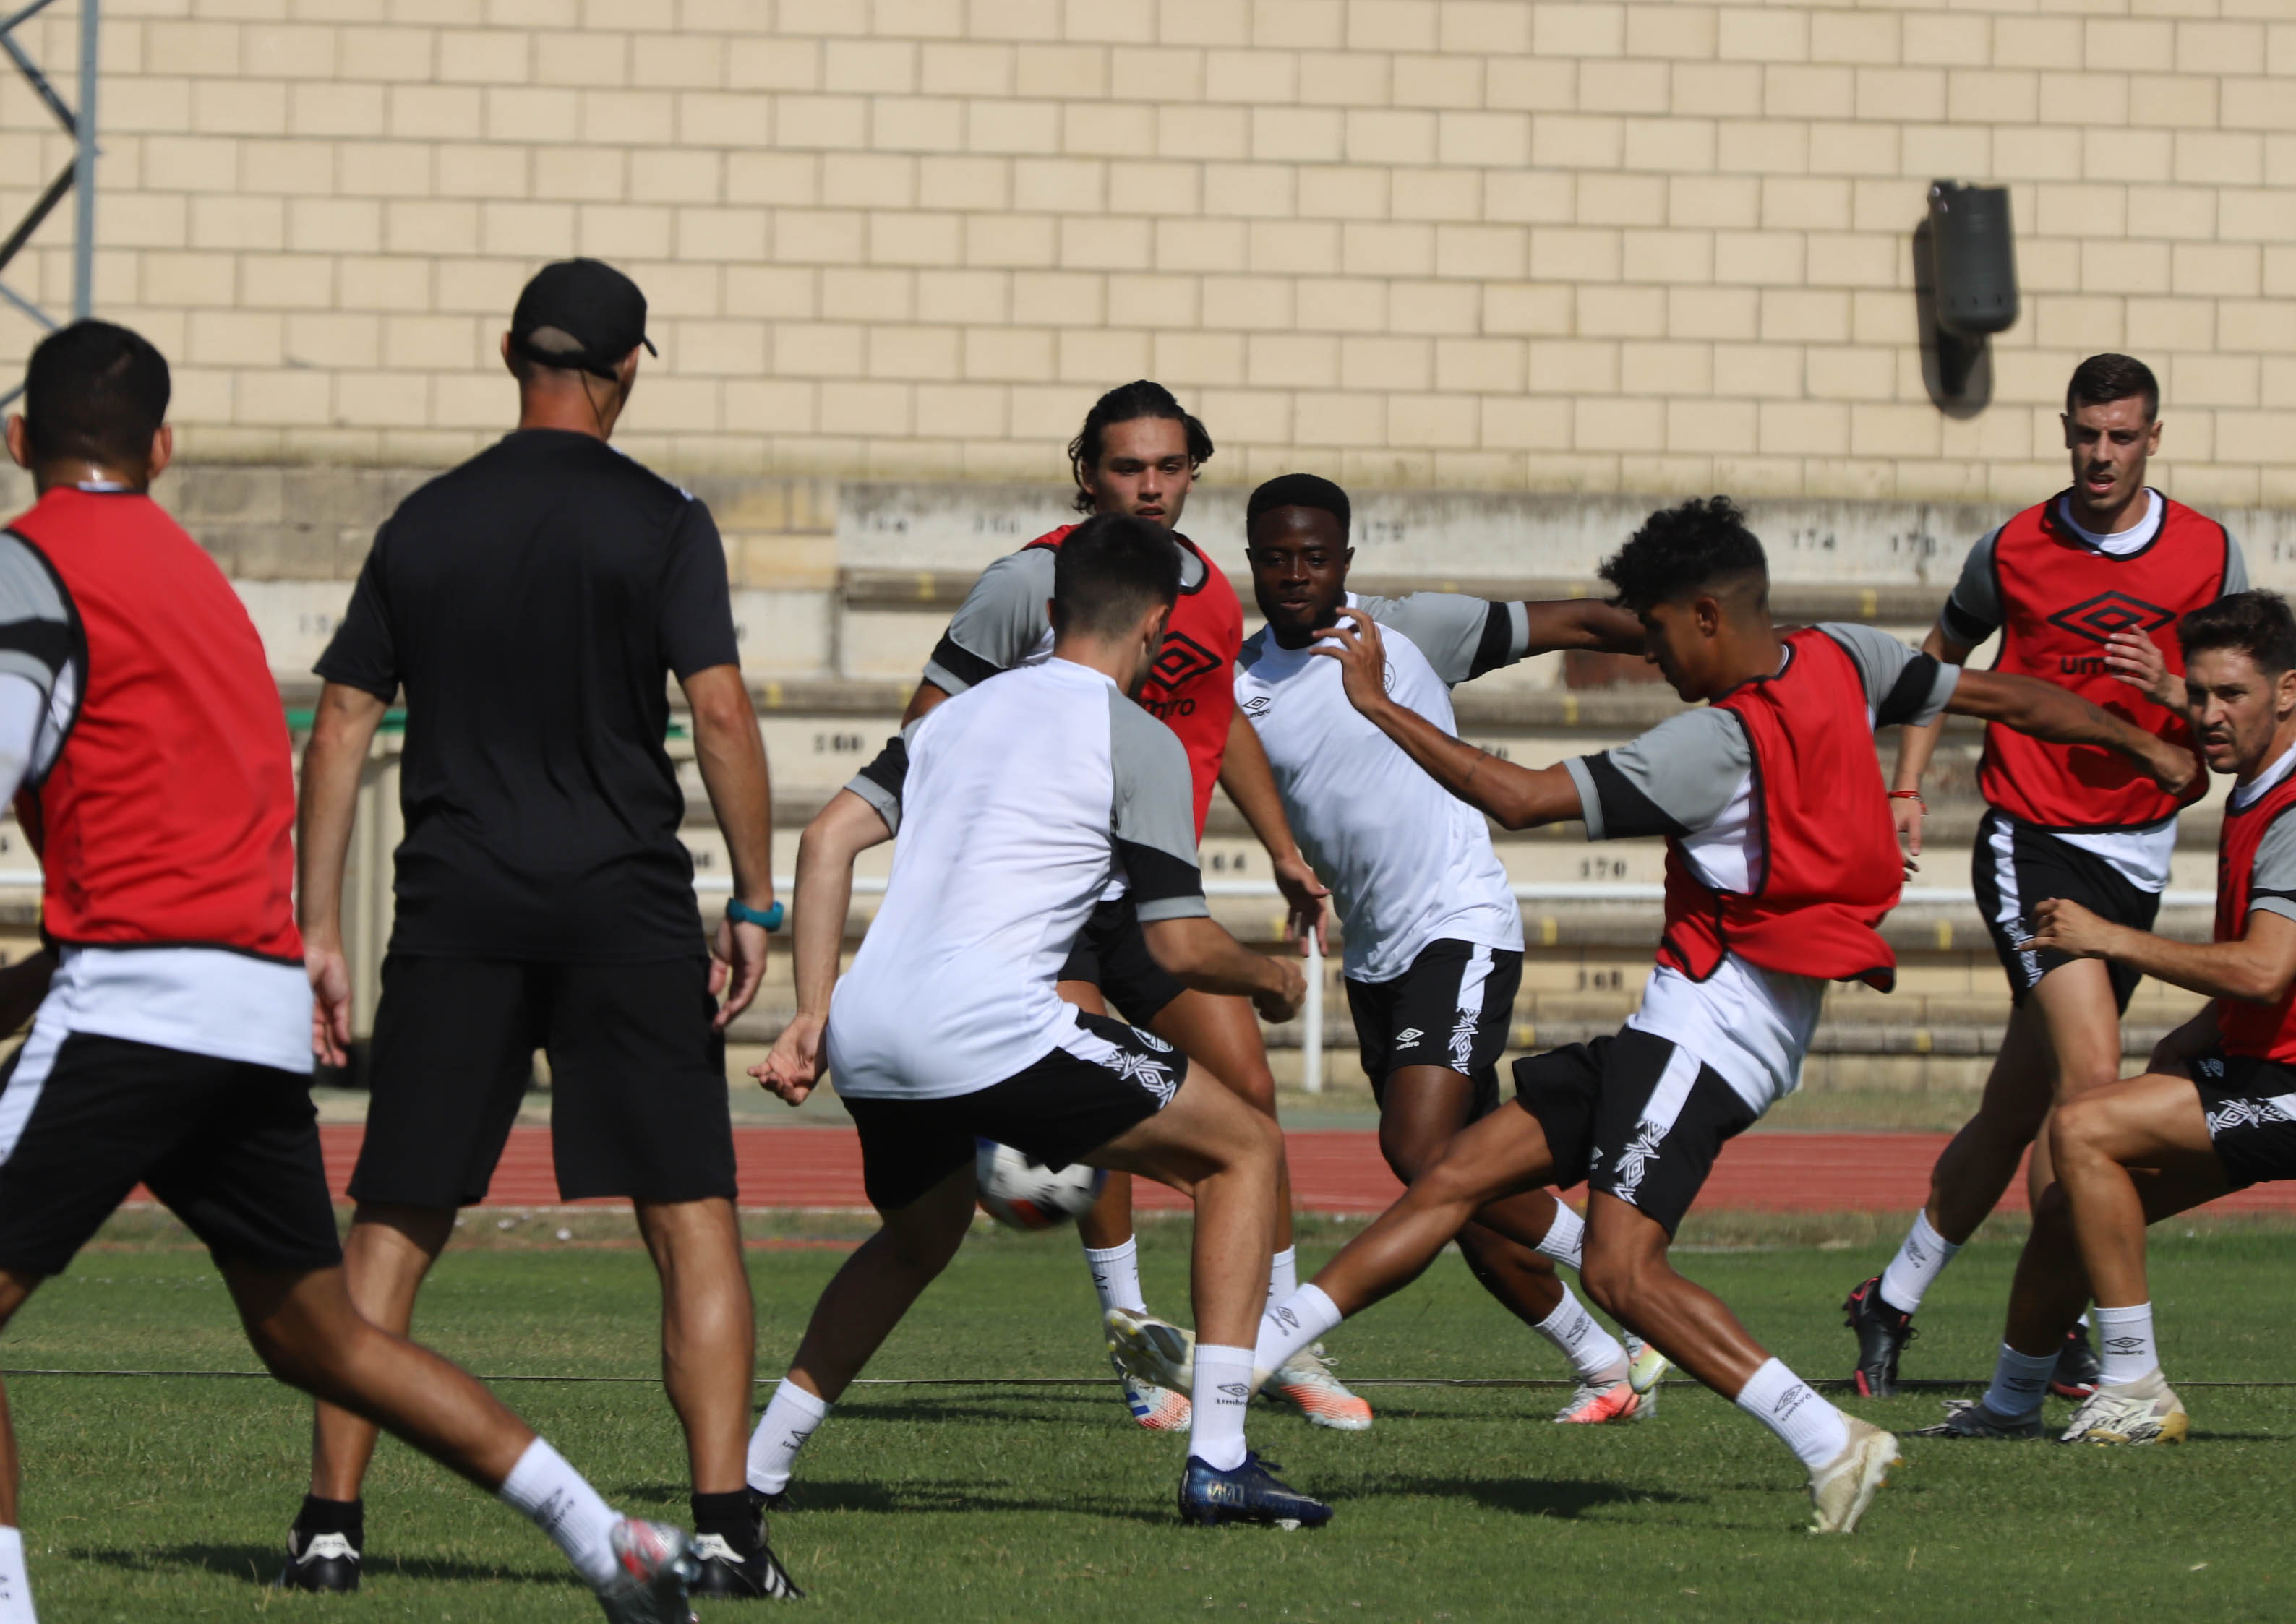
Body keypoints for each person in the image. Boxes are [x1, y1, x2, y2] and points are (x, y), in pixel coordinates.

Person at [1109, 497, 2198, 1533]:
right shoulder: (1845, 656)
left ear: (1709, 617)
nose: (1652, 657)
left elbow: (1523, 798)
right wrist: (2138, 743)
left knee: (1626, 1271)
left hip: (1708, 1034)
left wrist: (1381, 707)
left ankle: (1825, 1437)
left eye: (1660, 635)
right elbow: (2003, 697)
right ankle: (1245, 1364)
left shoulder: (1710, 746)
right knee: (1448, 1171)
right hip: (1688, 1025)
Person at [0, 320, 699, 1623]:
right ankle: (608, 1536)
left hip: (141, 999)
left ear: (16, 440)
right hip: (244, 1000)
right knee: (318, 1338)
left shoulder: (26, 569)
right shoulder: (201, 588)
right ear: (163, 448)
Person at [286, 260, 796, 1599]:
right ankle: (729, 1529)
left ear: (510, 350)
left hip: (455, 902)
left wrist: (314, 927)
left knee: (394, 1218)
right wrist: (752, 897)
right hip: (622, 903)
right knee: (688, 1215)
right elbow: (724, 712)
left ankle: (332, 1522)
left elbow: (341, 718)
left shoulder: (426, 519)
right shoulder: (664, 520)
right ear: (628, 369)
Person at [769, 382, 1370, 1435]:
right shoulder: (1030, 584)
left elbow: (1214, 718)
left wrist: (1280, 846)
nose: (1148, 485)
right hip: (1047, 907)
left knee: (1246, 1100)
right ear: (1085, 472)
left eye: (1168, 467)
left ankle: (1280, 1338)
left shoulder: (1209, 591)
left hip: (1153, 893)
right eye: (1127, 466)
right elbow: (930, 732)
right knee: (1105, 1113)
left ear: (1192, 474)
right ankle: (1136, 1341)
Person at [1914, 591, 2296, 1445]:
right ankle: (2008, 1405)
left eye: (2233, 695)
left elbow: (2264, 971)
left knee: (2077, 1130)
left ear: (2286, 690)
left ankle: (2134, 1385)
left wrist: (2106, 937)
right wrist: (2191, 1040)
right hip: (2278, 1059)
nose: (2209, 716)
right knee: (2069, 1199)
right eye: (2197, 694)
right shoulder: (2263, 785)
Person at [1847, 353, 2248, 1401]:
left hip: (2138, 846)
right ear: (2062, 429)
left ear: (2152, 438)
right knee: (2091, 1097)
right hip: (2029, 837)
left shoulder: (2206, 552)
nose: (2100, 454)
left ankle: (1890, 1297)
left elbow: (2232, 691)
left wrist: (2169, 688)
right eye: (2084, 434)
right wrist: (1905, 782)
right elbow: (1936, 657)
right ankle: (2093, 1346)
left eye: (2120, 436)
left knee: (2017, 1107)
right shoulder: (2016, 547)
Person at [1234, 472, 1671, 1424]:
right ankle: (1605, 1367)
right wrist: (1284, 861)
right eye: (1275, 558)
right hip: (1374, 954)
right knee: (1452, 1184)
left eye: (1313, 557)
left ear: (1343, 562)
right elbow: (1243, 779)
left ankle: (1614, 1251)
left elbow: (1579, 627)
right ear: (1252, 563)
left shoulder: (1409, 630)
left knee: (1421, 1150)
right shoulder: (1242, 681)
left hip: (1457, 924)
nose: (1294, 574)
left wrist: (1696, 645)